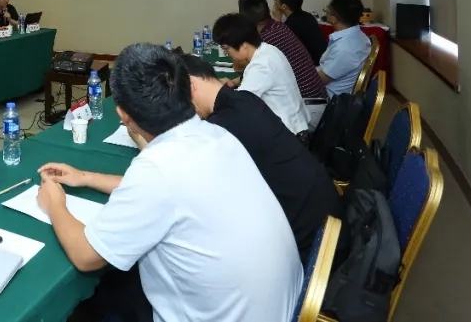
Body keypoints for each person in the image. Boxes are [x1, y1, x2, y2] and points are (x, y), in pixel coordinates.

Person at [35, 43, 301, 322]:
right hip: (277, 308)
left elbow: (85, 256)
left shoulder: (157, 170)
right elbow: (168, 192)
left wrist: (54, 204)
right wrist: (85, 177)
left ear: (123, 114)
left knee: (96, 303)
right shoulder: (215, 135)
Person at [182, 55, 342, 265]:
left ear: (191, 85)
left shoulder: (221, 128)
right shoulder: (245, 99)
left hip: (305, 245)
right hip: (324, 215)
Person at [212, 13, 309, 138]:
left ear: (244, 45)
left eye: (226, 48)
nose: (226, 53)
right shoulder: (267, 49)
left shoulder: (261, 65)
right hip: (294, 124)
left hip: (290, 135)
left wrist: (215, 91)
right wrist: (234, 82)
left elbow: (239, 104)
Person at [238, 0, 326, 99]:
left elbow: (239, 66)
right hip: (315, 93)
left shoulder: (265, 39)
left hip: (306, 100)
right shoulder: (278, 26)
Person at [318, 0, 372, 96]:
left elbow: (318, 81)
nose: (326, 13)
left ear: (333, 19)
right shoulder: (358, 36)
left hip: (327, 98)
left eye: (327, 11)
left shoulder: (344, 48)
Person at [274, 0, 327, 65]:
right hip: (321, 61)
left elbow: (278, 46)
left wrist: (277, 20)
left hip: (311, 66)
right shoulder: (307, 16)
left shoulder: (292, 24)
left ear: (284, 6)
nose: (274, 1)